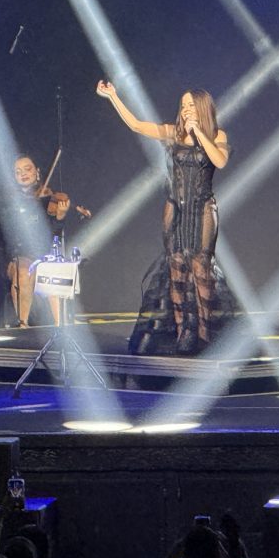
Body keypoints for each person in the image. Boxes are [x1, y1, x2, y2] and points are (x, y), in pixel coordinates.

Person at [97, 81, 234, 355]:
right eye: (183, 105)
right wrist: (113, 96)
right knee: (177, 268)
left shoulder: (217, 135)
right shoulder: (173, 133)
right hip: (176, 208)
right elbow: (137, 125)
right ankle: (183, 332)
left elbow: (219, 161)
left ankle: (205, 333)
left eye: (191, 105)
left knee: (201, 269)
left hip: (203, 209)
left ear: (202, 107)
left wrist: (198, 132)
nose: (186, 109)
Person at [0, 155, 69, 328]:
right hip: (18, 256)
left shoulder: (49, 199)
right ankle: (23, 325)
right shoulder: (7, 202)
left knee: (52, 270)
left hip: (44, 255)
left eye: (27, 169)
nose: (23, 174)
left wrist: (60, 217)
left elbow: (53, 235)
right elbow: (0, 235)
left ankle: (61, 327)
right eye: (18, 172)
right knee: (24, 272)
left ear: (37, 172)